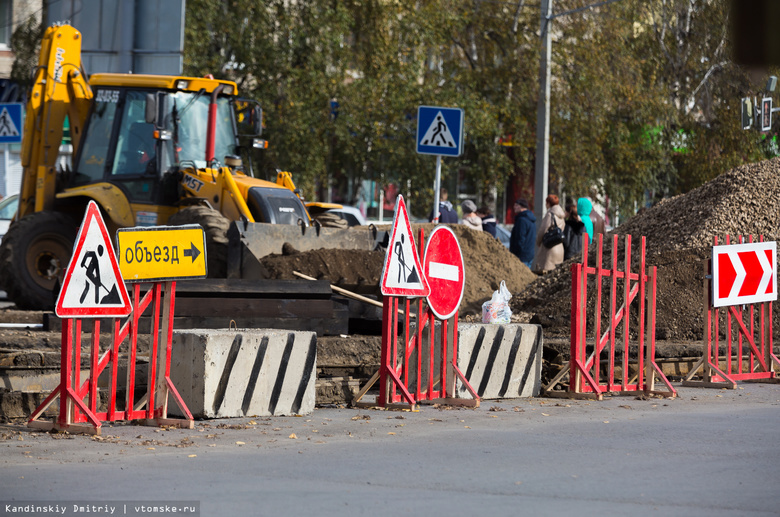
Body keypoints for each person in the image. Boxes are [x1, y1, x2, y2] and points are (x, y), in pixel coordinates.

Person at [532, 195, 566, 273]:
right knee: (555, 274)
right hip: (559, 247)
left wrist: (538, 241)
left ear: (548, 203)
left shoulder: (550, 214)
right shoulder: (562, 215)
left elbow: (543, 229)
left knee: (545, 272)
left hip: (549, 248)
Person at [509, 198, 536, 268]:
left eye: (516, 205)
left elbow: (520, 238)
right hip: (529, 254)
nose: (514, 207)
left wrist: (515, 253)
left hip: (521, 256)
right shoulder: (531, 219)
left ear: (521, 206)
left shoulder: (522, 220)